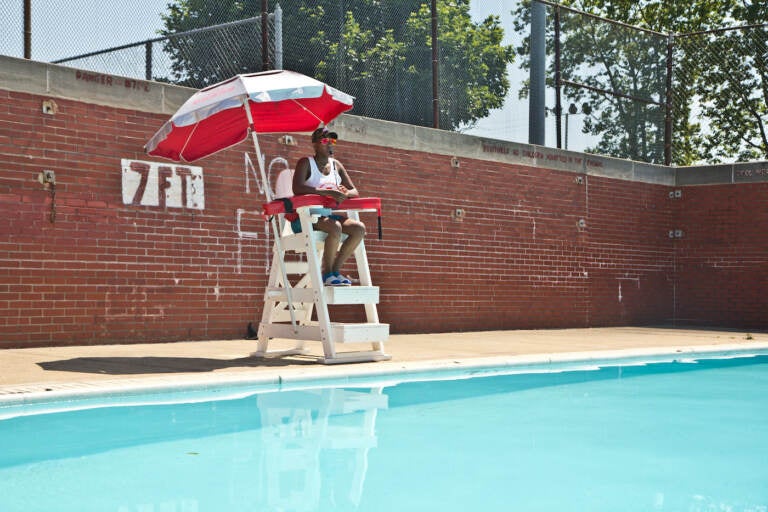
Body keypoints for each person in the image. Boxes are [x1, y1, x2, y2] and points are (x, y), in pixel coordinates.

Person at [292, 127, 366, 286]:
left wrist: (345, 193)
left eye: (332, 140)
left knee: (359, 229)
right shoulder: (306, 163)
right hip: (304, 218)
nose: (330, 144)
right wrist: (325, 192)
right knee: (335, 227)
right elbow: (297, 188)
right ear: (315, 144)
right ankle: (327, 273)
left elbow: (355, 191)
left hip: (327, 217)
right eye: (325, 140)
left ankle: (334, 271)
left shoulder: (336, 165)